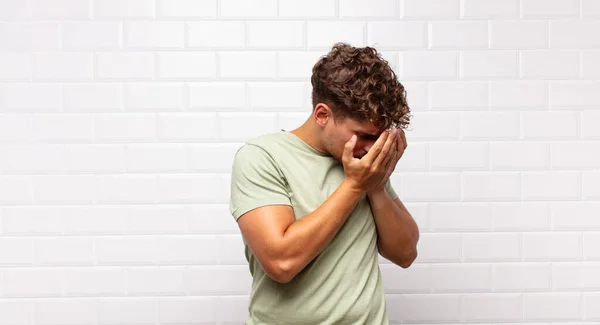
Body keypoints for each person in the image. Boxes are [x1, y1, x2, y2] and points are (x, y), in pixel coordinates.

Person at [228, 42, 420, 325]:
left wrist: (376, 186)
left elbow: (405, 254)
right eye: (364, 135)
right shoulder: (262, 157)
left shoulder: (363, 166)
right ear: (322, 115)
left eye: (379, 136)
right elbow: (282, 263)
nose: (372, 147)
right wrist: (355, 186)